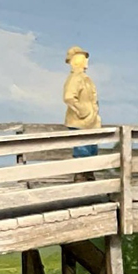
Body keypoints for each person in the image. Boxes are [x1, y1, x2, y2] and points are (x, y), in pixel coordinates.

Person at [62, 45, 100, 181]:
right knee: (82, 150)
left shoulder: (85, 78)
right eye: (84, 58)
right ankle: (81, 179)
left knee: (91, 150)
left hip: (90, 122)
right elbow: (68, 97)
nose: (86, 61)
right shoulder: (75, 78)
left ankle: (88, 176)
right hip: (80, 122)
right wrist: (83, 111)